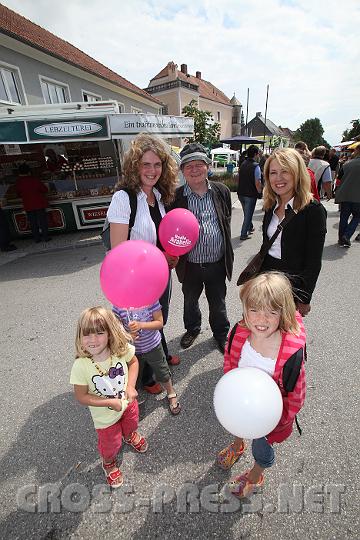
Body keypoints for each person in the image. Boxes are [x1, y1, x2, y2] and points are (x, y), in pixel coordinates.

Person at [217, 271, 306, 499]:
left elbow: (296, 396)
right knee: (236, 425)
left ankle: (256, 475)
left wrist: (276, 424)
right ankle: (238, 445)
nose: (260, 319)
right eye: (253, 310)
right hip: (239, 404)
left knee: (262, 449)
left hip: (269, 421)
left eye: (271, 312)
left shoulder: (290, 355)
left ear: (283, 312)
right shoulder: (239, 333)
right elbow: (230, 360)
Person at [106, 133, 180, 391]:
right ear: (135, 166)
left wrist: (171, 253)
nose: (152, 170)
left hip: (159, 274)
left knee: (160, 317)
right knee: (140, 326)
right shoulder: (124, 198)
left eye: (157, 164)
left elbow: (160, 237)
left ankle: (161, 353)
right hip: (135, 280)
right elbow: (119, 251)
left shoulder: (157, 198)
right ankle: (146, 376)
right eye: (146, 164)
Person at [70, 307, 148, 488]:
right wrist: (108, 402)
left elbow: (134, 361)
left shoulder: (120, 349)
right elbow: (81, 396)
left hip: (128, 405)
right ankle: (109, 463)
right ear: (80, 337)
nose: (93, 340)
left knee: (132, 424)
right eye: (87, 334)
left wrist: (130, 386)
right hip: (104, 418)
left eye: (99, 333)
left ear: (110, 333)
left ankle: (129, 436)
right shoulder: (81, 366)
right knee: (110, 445)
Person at [171, 142, 234, 354]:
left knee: (218, 301)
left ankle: (221, 334)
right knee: (190, 300)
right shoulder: (176, 197)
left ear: (208, 166)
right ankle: (192, 328)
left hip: (216, 261)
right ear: (182, 171)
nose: (195, 169)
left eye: (199, 164)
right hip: (190, 264)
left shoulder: (222, 191)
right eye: (189, 166)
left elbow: (225, 223)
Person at [259, 148, 327, 317]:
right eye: (273, 172)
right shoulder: (270, 205)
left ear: (297, 174)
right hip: (267, 281)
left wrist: (304, 298)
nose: (278, 178)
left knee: (286, 337)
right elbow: (266, 246)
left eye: (285, 171)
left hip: (293, 286)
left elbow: (313, 261)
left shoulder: (313, 210)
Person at [113, 301, 181, 415]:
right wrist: (127, 335)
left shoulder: (151, 300)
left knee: (162, 371)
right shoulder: (119, 305)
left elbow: (159, 323)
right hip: (132, 351)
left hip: (153, 346)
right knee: (134, 377)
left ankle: (171, 392)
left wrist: (141, 325)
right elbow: (115, 327)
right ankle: (132, 400)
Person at [16, 164, 51, 243]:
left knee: (33, 222)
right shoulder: (34, 179)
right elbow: (44, 189)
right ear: (29, 171)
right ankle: (46, 237)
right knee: (42, 221)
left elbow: (18, 193)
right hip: (39, 203)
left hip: (28, 204)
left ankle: (37, 238)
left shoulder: (19, 182)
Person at [335, 143, 360, 247]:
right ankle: (347, 235)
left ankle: (341, 238)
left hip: (345, 195)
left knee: (344, 217)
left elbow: (338, 179)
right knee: (357, 217)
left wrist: (336, 191)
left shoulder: (347, 164)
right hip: (358, 197)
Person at [237, 145, 262, 240]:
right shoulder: (256, 166)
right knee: (248, 214)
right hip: (250, 194)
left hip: (241, 193)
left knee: (246, 212)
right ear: (256, 154)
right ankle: (244, 234)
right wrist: (259, 192)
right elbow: (257, 182)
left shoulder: (243, 164)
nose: (259, 155)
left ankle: (250, 227)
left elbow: (238, 177)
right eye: (258, 153)